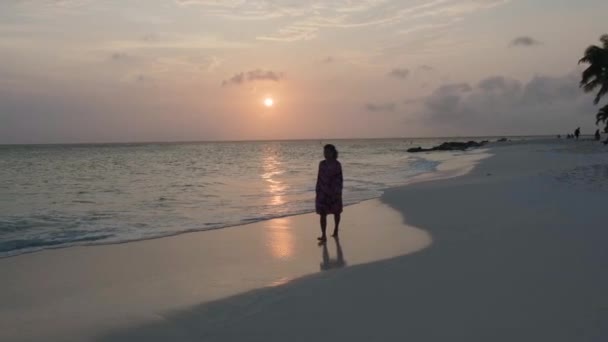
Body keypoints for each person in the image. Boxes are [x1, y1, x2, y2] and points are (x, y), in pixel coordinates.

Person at [315, 144, 343, 242]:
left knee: (337, 212)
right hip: (323, 192)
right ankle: (323, 235)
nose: (325, 154)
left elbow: (340, 179)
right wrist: (317, 189)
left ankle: (336, 230)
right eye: (324, 152)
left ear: (332, 153)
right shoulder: (321, 164)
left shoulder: (337, 164)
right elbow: (319, 178)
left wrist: (338, 192)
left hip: (335, 192)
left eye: (327, 152)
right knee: (323, 214)